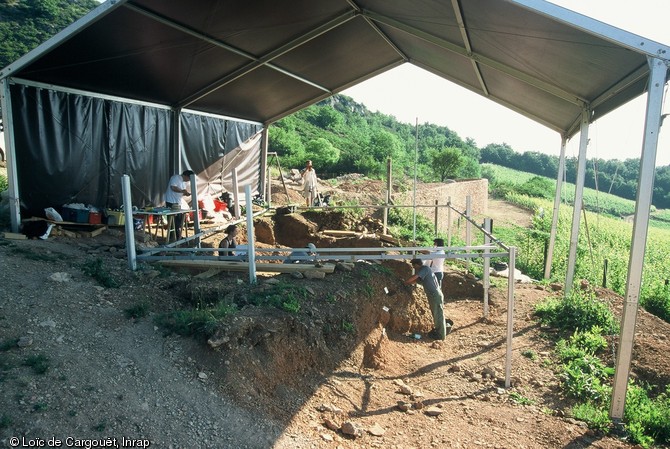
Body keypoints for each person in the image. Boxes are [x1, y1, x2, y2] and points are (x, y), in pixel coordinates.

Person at [404, 258, 451, 340]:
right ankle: (439, 331)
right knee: (436, 313)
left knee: (438, 315)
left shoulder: (424, 269)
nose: (414, 268)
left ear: (417, 265)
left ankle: (441, 335)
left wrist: (406, 282)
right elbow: (415, 281)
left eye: (414, 266)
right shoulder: (424, 273)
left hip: (434, 295)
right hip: (434, 295)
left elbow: (415, 277)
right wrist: (407, 282)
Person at [165, 169, 194, 240]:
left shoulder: (183, 183)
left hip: (178, 201)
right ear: (186, 176)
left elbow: (180, 192)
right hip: (171, 201)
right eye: (189, 179)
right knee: (173, 220)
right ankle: (173, 236)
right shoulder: (176, 178)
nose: (188, 181)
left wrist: (185, 193)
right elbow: (173, 187)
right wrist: (182, 191)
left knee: (179, 219)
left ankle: (177, 235)